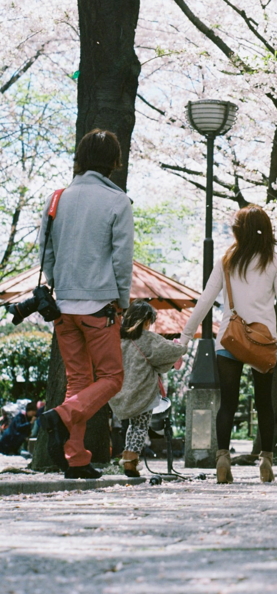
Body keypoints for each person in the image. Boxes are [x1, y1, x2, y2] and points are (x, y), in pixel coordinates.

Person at [181, 204, 277, 484]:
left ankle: (222, 458)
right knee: (264, 403)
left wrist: (184, 338)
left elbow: (205, 300)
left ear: (238, 231)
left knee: (227, 404)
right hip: (263, 341)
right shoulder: (274, 262)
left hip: (230, 339)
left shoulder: (226, 260)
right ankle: (266, 460)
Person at [37, 129, 133, 480]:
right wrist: (122, 301)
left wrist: (58, 284)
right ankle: (62, 417)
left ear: (80, 158)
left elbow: (45, 254)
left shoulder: (57, 198)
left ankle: (75, 457)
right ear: (114, 162)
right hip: (99, 305)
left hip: (62, 305)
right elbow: (122, 260)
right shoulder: (117, 201)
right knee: (112, 378)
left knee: (79, 379)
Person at [109, 301, 186, 477]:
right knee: (141, 426)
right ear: (145, 321)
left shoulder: (118, 339)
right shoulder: (147, 338)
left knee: (131, 426)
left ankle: (128, 458)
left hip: (121, 391)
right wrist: (181, 345)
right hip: (142, 391)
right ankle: (130, 460)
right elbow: (169, 350)